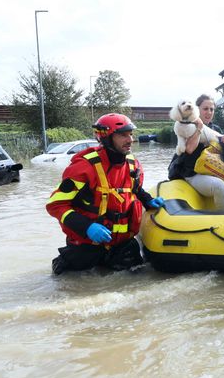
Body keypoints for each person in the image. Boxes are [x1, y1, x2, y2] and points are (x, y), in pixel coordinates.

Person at [46, 113, 165, 275]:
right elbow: (55, 205)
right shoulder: (84, 168)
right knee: (66, 278)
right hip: (87, 245)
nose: (130, 140)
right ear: (107, 138)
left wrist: (148, 200)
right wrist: (87, 227)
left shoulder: (133, 164)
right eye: (123, 135)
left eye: (130, 134)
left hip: (122, 246)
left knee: (138, 275)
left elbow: (135, 189)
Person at [176, 94, 224, 210]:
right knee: (218, 185)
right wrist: (199, 128)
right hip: (195, 174)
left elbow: (223, 155)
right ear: (197, 109)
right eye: (205, 109)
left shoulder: (216, 129)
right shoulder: (187, 127)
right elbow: (189, 149)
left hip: (216, 171)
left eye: (212, 109)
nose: (209, 112)